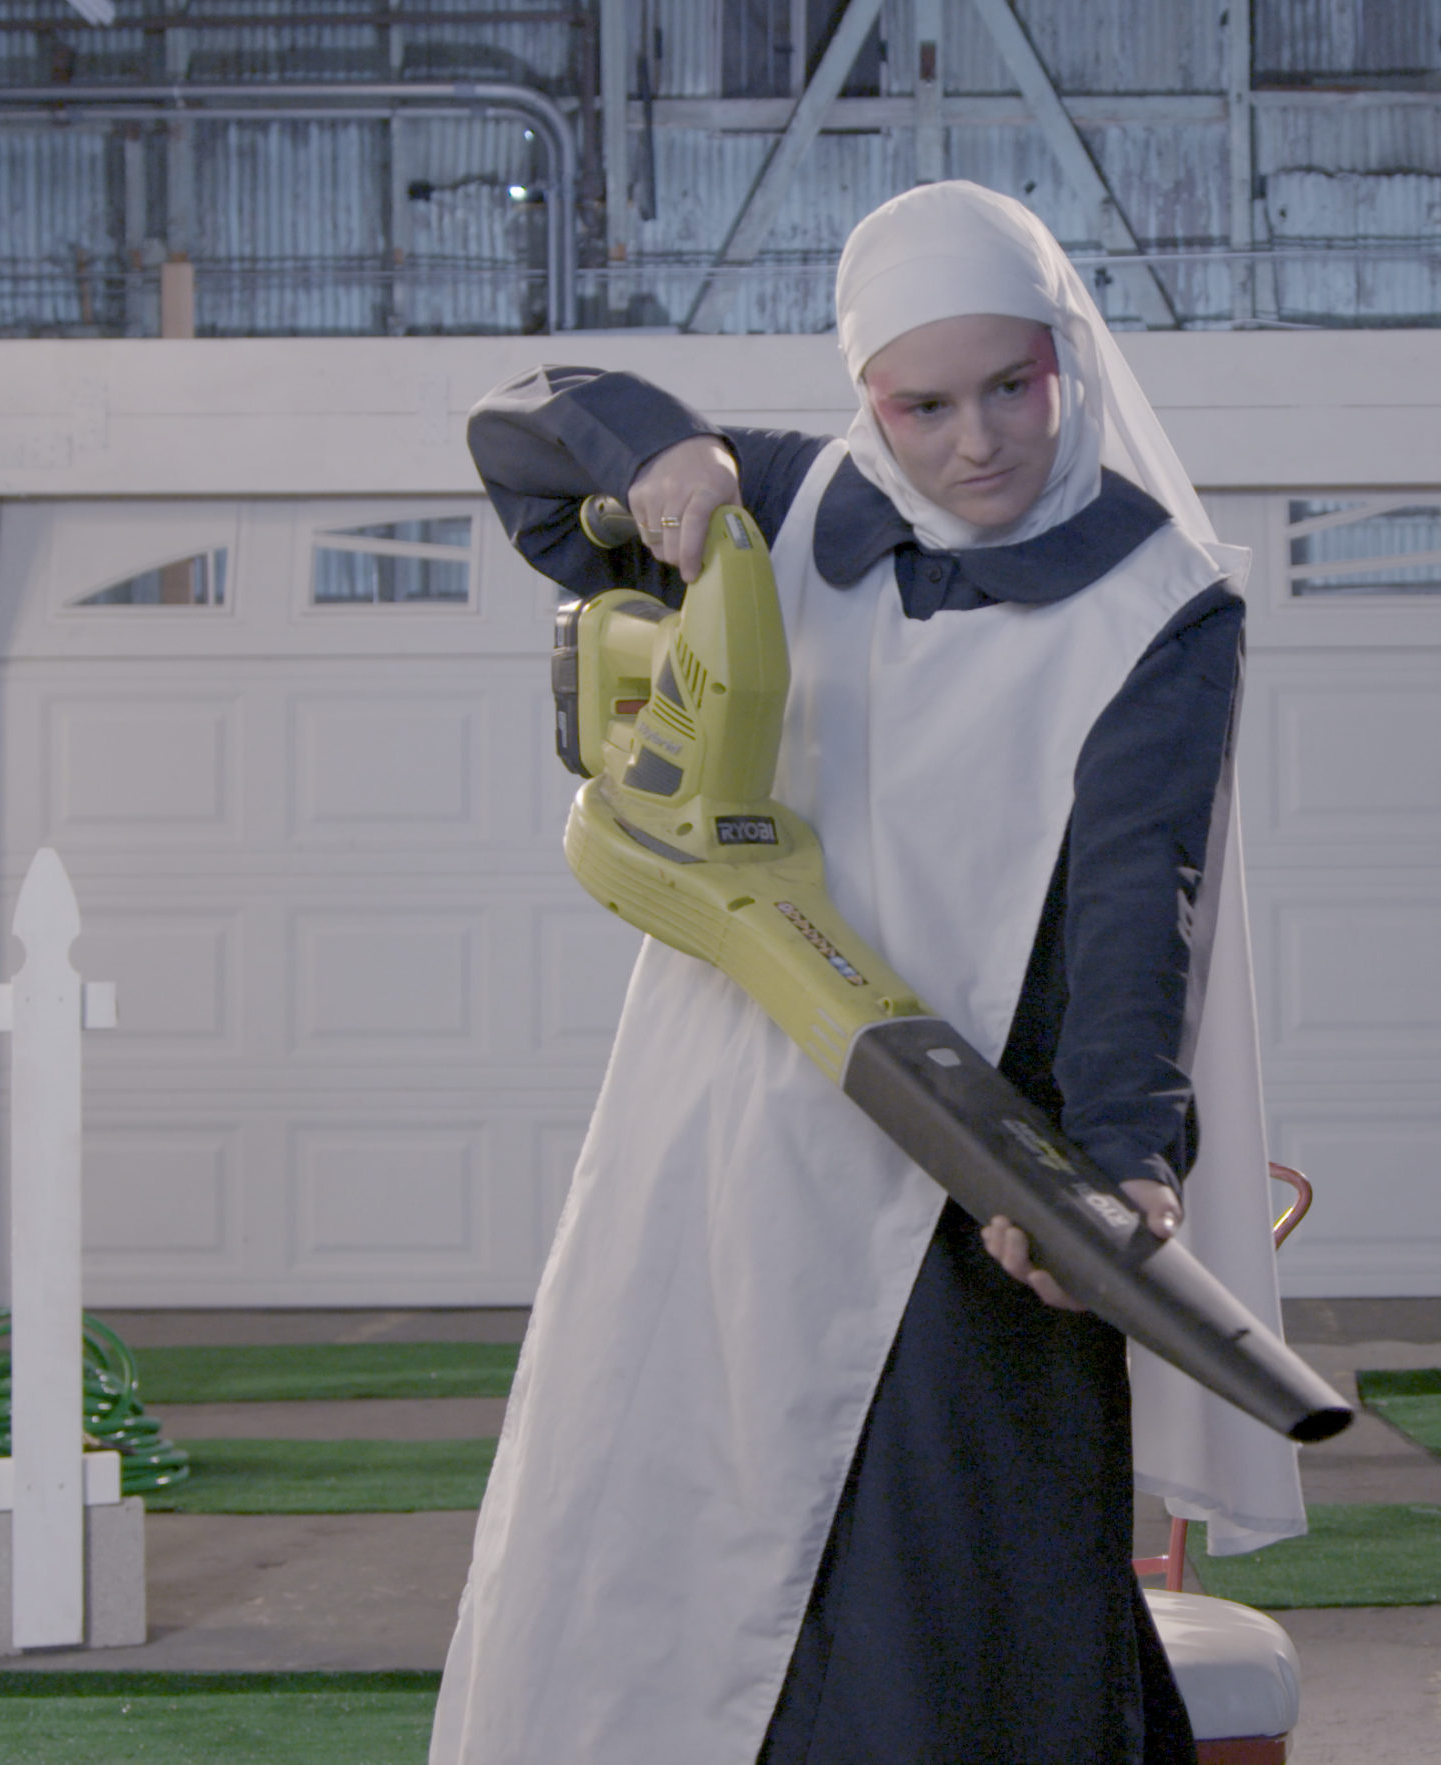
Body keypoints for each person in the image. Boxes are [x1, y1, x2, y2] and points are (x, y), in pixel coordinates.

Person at [430, 180, 1302, 1765]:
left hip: (970, 1158)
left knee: (957, 1598)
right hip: (730, 1123)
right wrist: (663, 451)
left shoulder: (1160, 602)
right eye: (924, 406)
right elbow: (525, 434)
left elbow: (1140, 895)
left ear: (1066, 355)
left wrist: (1119, 1162)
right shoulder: (784, 501)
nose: (977, 442)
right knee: (664, 1529)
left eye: (1011, 387)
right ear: (866, 397)